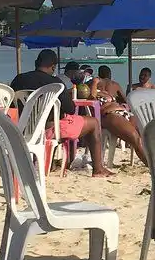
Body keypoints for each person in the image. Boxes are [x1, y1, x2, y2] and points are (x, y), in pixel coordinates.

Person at [9, 49, 112, 177]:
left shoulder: (19, 79)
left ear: (36, 63)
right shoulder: (55, 83)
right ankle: (98, 169)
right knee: (94, 123)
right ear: (53, 66)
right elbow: (70, 109)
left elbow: (12, 104)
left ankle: (49, 161)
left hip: (23, 129)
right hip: (49, 130)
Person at [93, 65, 148, 166]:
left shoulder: (92, 84)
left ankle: (152, 162)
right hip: (115, 114)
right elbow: (126, 100)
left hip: (115, 114)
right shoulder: (114, 84)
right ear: (110, 74)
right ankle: (151, 165)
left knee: (139, 137)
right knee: (139, 137)